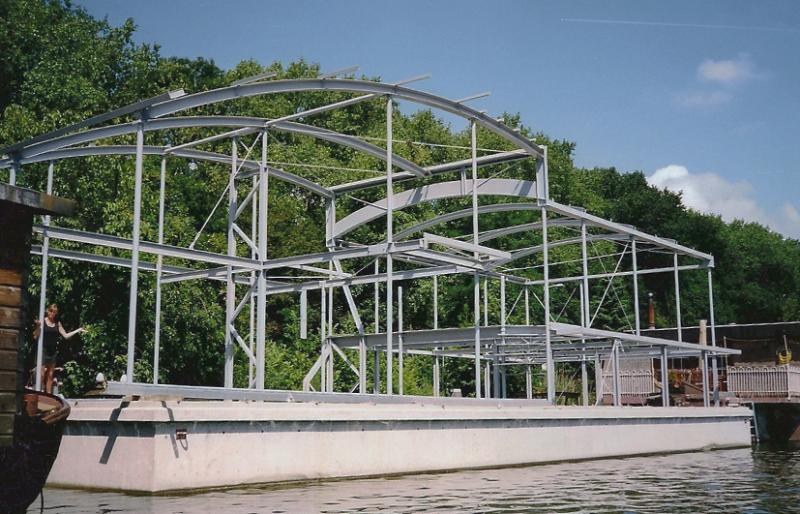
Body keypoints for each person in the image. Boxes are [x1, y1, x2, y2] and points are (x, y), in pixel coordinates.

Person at [32, 303, 86, 394]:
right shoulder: (42, 321)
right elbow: (35, 336)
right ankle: (39, 392)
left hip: (52, 351)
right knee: (41, 374)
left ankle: (48, 394)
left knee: (50, 375)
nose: (52, 313)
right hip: (43, 350)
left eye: (54, 312)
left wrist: (78, 330)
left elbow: (65, 335)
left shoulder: (57, 323)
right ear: (48, 311)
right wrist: (38, 326)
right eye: (51, 311)